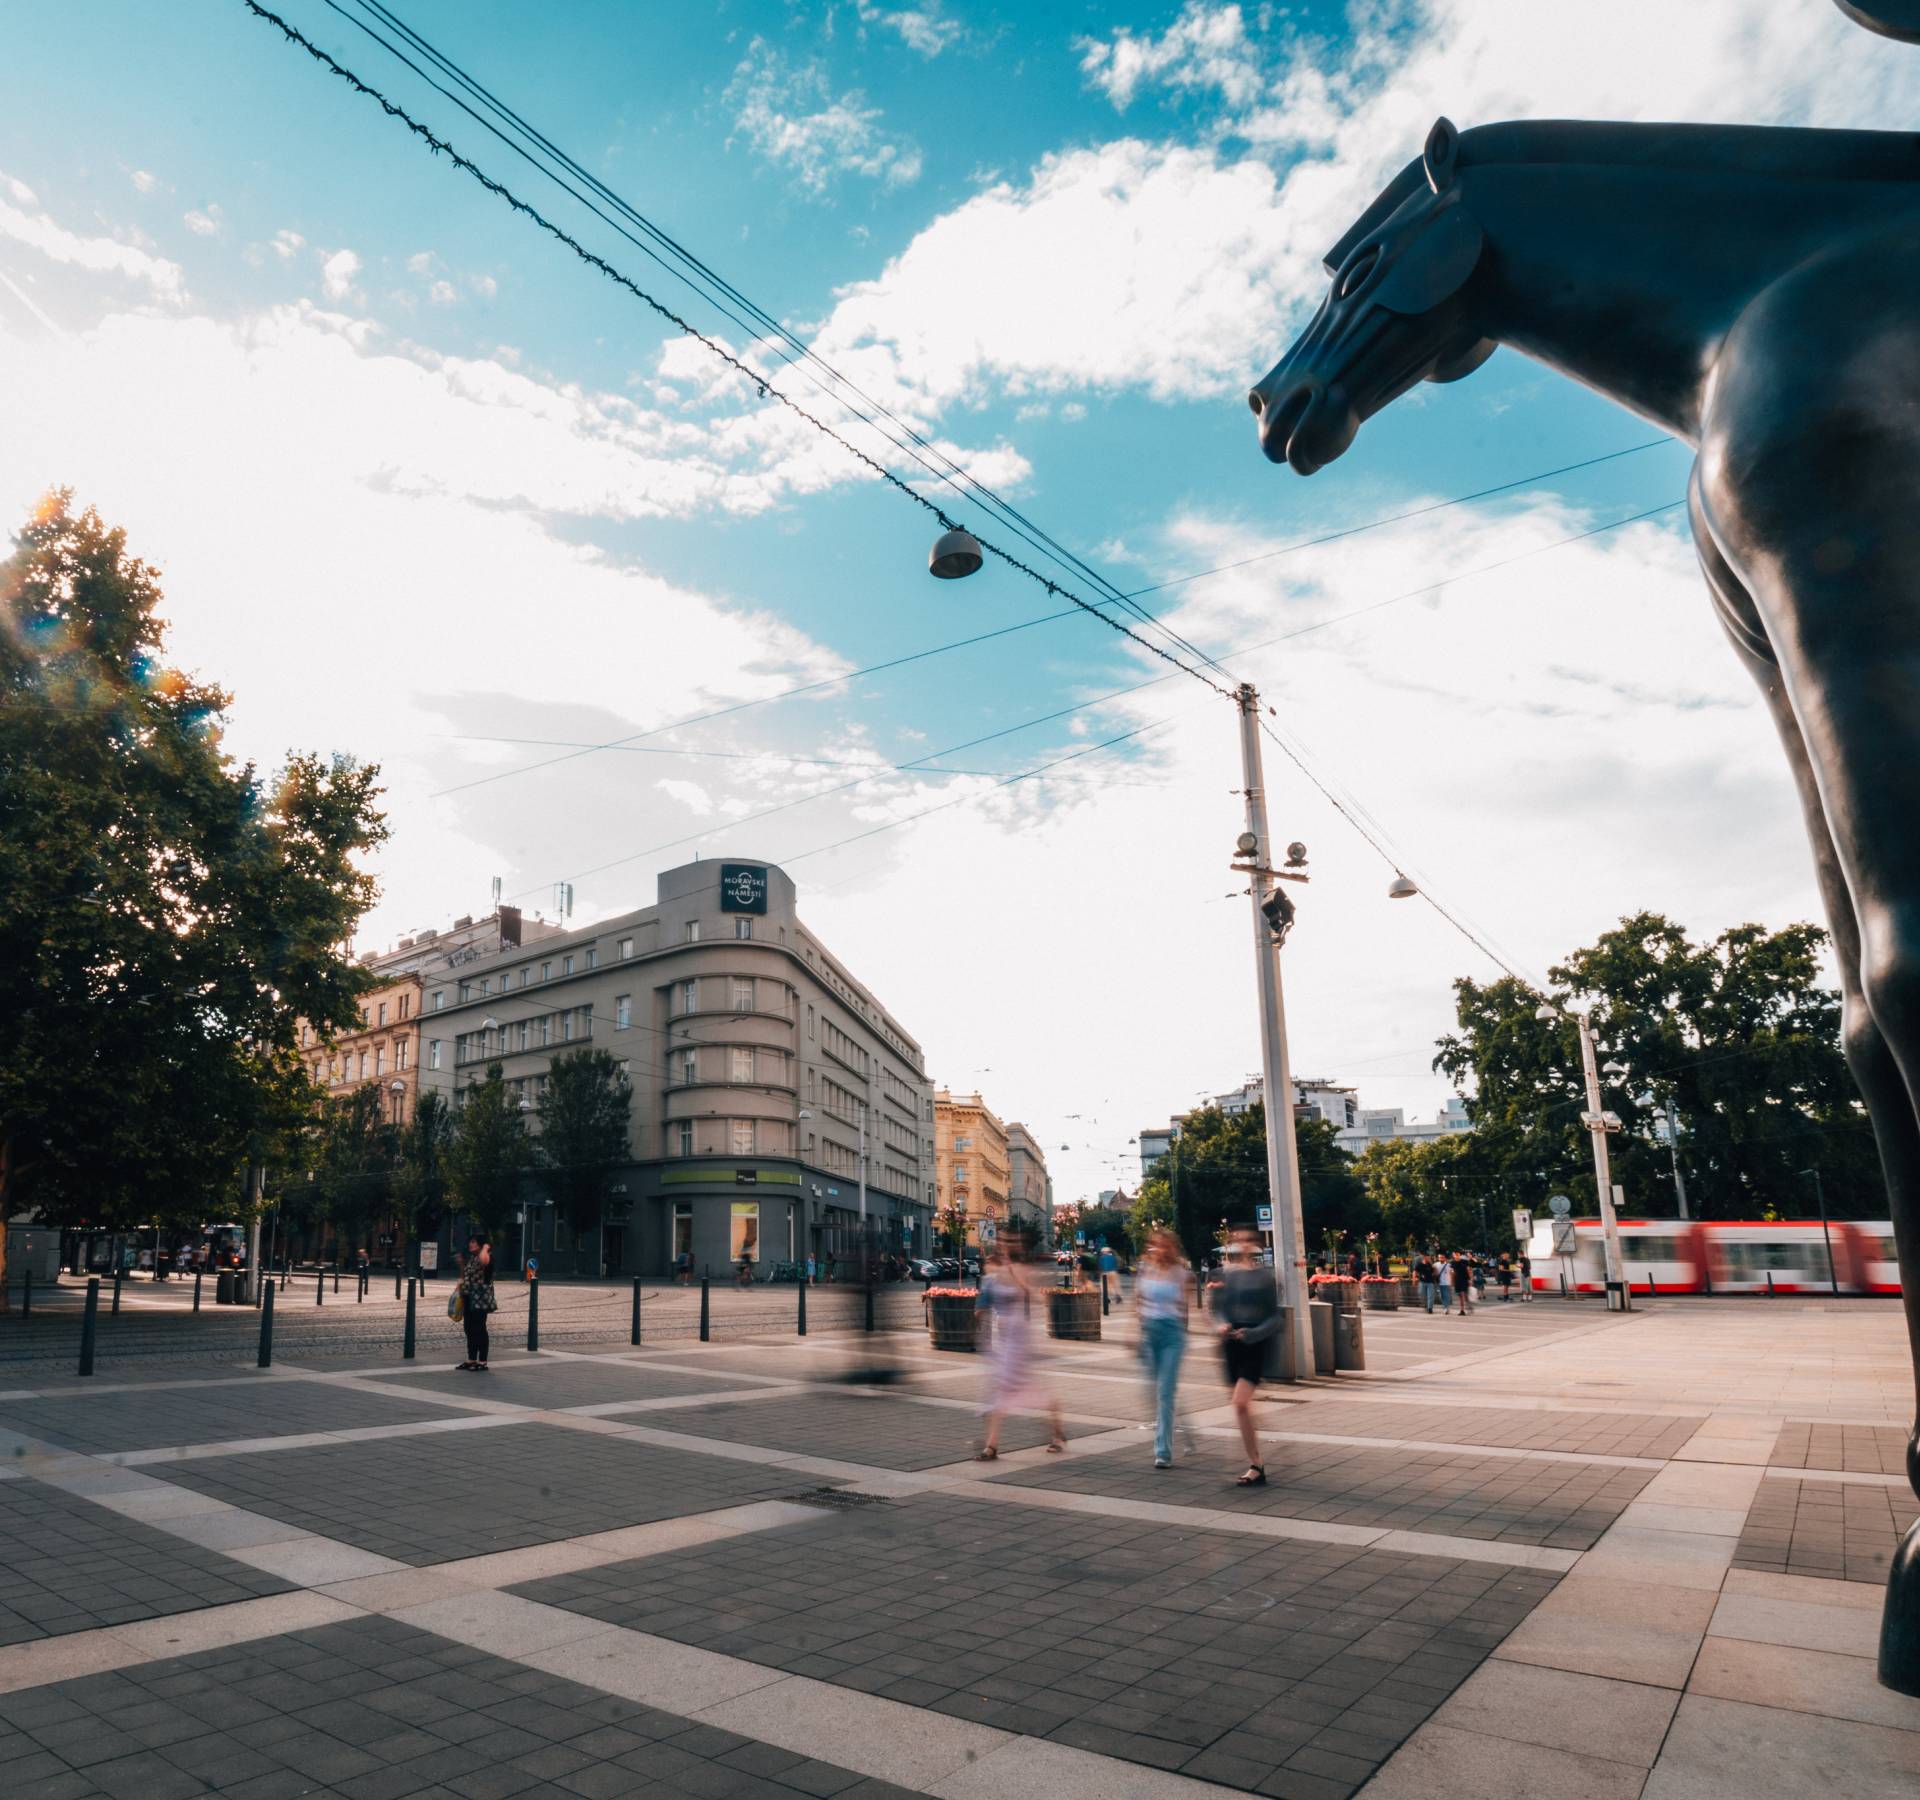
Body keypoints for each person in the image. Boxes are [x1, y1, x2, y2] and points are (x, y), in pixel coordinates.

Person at [974, 1237, 1066, 1461]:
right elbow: (984, 1304)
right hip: (1002, 1339)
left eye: (1006, 1247)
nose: (1003, 1250)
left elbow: (1034, 1296)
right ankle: (1054, 1432)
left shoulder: (1022, 1270)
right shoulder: (994, 1275)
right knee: (1011, 1387)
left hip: (1019, 1336)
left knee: (1008, 1387)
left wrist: (1017, 1280)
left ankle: (992, 1446)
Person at [1211, 1225, 1280, 1487]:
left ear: (1256, 1245)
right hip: (1230, 1345)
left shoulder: (1265, 1277)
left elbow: (1275, 1317)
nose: (1243, 1244)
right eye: (1238, 1240)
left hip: (1255, 1343)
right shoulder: (1222, 1275)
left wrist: (1252, 1334)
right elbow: (1216, 1310)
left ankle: (1256, 1465)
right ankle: (1256, 1457)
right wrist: (1221, 1325)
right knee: (1242, 1407)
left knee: (1240, 1403)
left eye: (1249, 1240)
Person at [1136, 1229, 1193, 1468]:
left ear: (1172, 1247)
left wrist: (1183, 1336)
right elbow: (1137, 1301)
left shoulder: (1181, 1273)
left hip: (1171, 1335)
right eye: (1156, 1245)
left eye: (1164, 1245)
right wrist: (1134, 1331)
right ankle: (1187, 1432)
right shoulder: (1145, 1270)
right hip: (1149, 1333)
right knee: (1154, 1393)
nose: (1159, 1249)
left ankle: (1163, 1451)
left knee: (1165, 1392)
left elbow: (1185, 1308)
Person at [454, 1235, 495, 1371]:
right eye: (470, 1241)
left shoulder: (486, 1256)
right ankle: (471, 1359)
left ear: (481, 1244)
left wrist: (485, 1247)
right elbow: (465, 1275)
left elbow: (484, 1262)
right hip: (469, 1297)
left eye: (473, 1242)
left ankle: (482, 1361)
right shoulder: (471, 1259)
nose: (470, 1244)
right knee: (469, 1328)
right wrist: (461, 1266)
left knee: (479, 1329)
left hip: (480, 1299)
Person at [1450, 1249, 1475, 1318]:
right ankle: (1462, 1310)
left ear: (1460, 1255)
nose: (1456, 1256)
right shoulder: (1452, 1263)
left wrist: (1470, 1280)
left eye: (1457, 1254)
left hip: (1465, 1280)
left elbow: (1469, 1270)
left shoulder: (1465, 1262)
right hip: (1457, 1280)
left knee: (1465, 1295)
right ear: (1453, 1255)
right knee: (1460, 1296)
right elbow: (1452, 1272)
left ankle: (1468, 1306)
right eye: (1455, 1254)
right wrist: (1451, 1281)